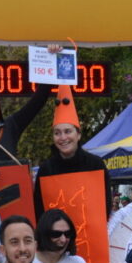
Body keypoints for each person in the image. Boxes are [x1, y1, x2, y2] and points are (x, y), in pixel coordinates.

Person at [32, 85, 110, 220]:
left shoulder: (95, 164)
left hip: (90, 236)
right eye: (57, 133)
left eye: (68, 131)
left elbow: (105, 205)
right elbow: (39, 210)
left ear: (78, 134)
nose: (63, 138)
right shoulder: (46, 169)